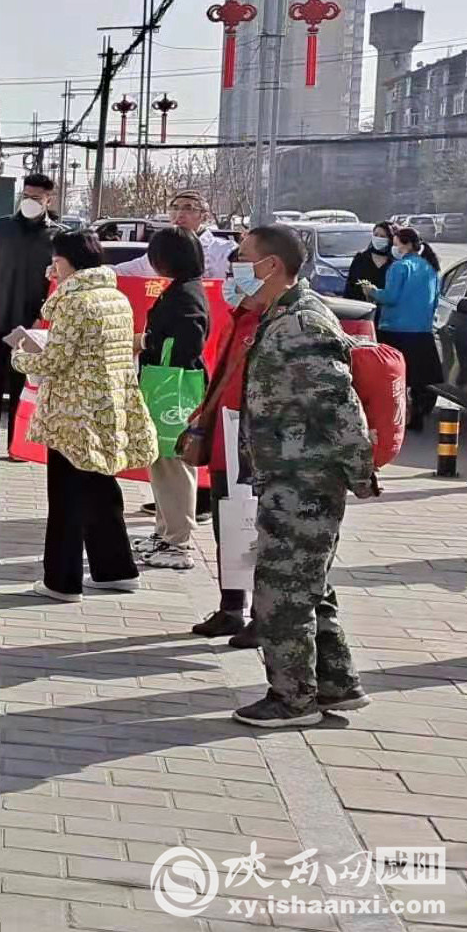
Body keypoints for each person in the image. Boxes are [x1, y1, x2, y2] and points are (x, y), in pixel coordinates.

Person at [231, 224, 376, 728]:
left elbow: (340, 403)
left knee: (281, 588)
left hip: (306, 479)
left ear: (270, 265)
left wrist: (360, 471)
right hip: (289, 473)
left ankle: (292, 700)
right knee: (309, 585)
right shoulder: (279, 315)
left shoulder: (303, 323)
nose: (234, 264)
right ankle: (336, 685)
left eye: (241, 255)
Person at [11, 231, 158, 602]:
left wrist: (19, 356)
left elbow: (54, 360)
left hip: (72, 413)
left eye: (55, 261)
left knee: (66, 497)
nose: (52, 270)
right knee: (100, 490)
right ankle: (115, 569)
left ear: (67, 261)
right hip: (107, 406)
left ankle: (62, 580)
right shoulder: (116, 297)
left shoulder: (74, 301)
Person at [188, 251, 267, 649]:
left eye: (242, 271)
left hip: (256, 452)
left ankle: (262, 617)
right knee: (229, 530)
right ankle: (231, 607)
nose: (232, 282)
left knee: (256, 534)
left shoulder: (278, 326)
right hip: (225, 444)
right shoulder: (240, 321)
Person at [133, 227, 212, 572]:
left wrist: (147, 342)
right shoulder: (180, 290)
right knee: (161, 461)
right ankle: (164, 531)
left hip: (174, 388)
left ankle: (178, 542)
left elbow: (184, 345)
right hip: (163, 385)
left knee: (174, 464)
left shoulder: (186, 296)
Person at [0, 173, 58, 440]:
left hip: (31, 325)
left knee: (25, 386)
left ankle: (18, 444)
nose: (29, 201)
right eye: (26, 196)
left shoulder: (57, 236)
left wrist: (42, 318)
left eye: (36, 198)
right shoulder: (0, 228)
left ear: (48, 199)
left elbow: (58, 285)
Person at [361, 226, 441, 431]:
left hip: (395, 329)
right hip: (422, 331)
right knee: (420, 379)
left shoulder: (399, 267)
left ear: (406, 245)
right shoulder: (430, 267)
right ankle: (418, 415)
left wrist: (372, 291)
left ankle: (393, 418)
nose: (393, 248)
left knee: (394, 378)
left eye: (395, 244)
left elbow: (391, 297)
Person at [112, 189, 234, 278]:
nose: (179, 214)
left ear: (204, 216)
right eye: (175, 208)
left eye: (188, 208)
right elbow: (126, 271)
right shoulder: (164, 251)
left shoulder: (224, 250)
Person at [344, 222, 395, 300]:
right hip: (361, 307)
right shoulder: (361, 258)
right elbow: (350, 285)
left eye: (382, 236)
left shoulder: (394, 262)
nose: (378, 238)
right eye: (376, 235)